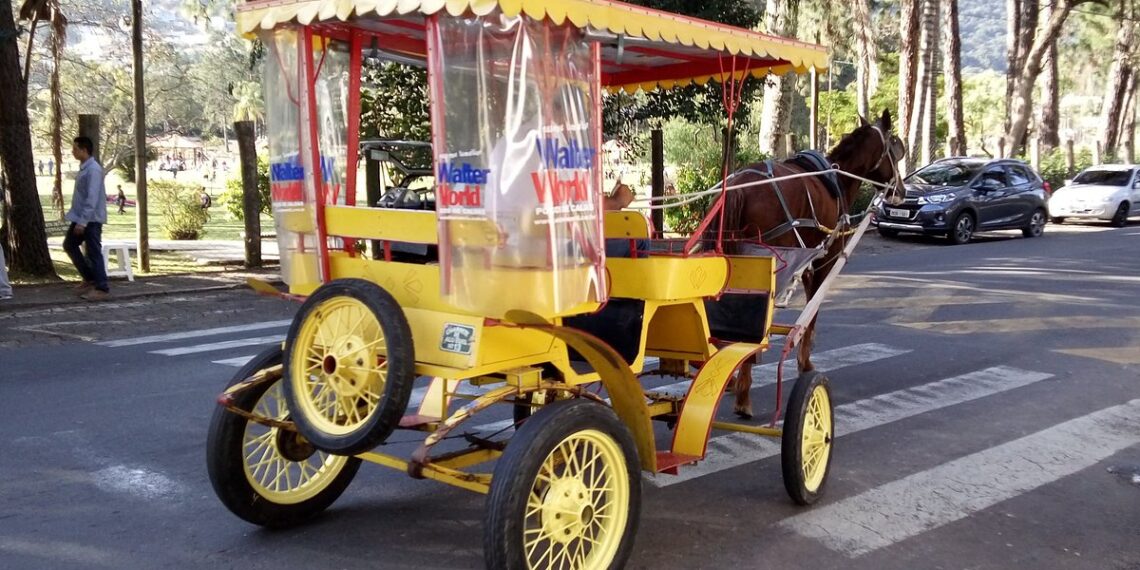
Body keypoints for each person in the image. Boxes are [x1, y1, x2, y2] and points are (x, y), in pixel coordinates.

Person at [64, 136, 110, 301]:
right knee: (69, 244)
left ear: (84, 150)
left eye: (75, 148)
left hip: (90, 219)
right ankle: (89, 278)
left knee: (93, 252)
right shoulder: (84, 168)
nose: (73, 151)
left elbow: (92, 197)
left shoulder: (94, 169)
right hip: (79, 216)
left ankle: (101, 287)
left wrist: (83, 222)